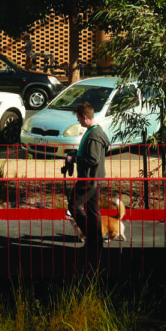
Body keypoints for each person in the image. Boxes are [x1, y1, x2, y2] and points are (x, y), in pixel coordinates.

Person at [62, 102, 109, 256]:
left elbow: (93, 159)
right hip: (94, 178)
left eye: (78, 118)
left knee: (73, 207)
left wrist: (74, 159)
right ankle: (96, 244)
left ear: (84, 117)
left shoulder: (94, 135)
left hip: (89, 179)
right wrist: (76, 154)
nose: (78, 121)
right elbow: (91, 154)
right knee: (92, 211)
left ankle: (93, 237)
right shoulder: (94, 131)